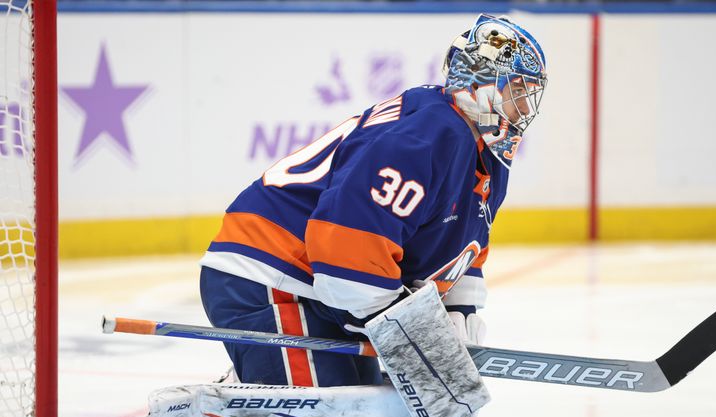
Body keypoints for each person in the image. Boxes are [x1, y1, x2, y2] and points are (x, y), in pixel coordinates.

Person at [198, 13, 547, 387]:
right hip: (273, 275)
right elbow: (348, 241)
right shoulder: (430, 134)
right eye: (517, 92)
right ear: (481, 83)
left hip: (318, 290)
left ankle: (247, 384)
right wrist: (407, 328)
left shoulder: (481, 153)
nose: (525, 109)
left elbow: (462, 242)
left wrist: (456, 312)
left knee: (371, 415)